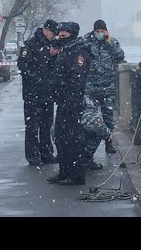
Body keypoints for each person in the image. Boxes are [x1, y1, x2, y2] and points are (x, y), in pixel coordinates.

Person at [47, 22, 94, 185]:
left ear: (71, 35)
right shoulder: (66, 50)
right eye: (59, 34)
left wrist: (69, 99)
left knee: (71, 139)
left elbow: (77, 79)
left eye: (63, 35)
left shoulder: (78, 52)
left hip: (71, 102)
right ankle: (64, 171)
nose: (60, 37)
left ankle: (76, 175)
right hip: (63, 100)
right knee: (61, 138)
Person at [17, 19, 59, 166]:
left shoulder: (52, 45)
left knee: (46, 125)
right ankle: (33, 155)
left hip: (47, 93)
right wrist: (40, 80)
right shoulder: (31, 45)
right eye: (53, 33)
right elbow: (23, 67)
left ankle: (46, 153)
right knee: (32, 126)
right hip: (33, 93)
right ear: (46, 30)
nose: (54, 36)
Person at [83, 19, 124, 154]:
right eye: (97, 31)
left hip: (108, 85)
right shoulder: (86, 41)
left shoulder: (112, 42)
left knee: (108, 116)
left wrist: (109, 43)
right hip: (90, 86)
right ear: (93, 31)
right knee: (90, 117)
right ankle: (88, 149)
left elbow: (119, 56)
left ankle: (109, 142)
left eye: (102, 31)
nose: (100, 34)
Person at [80, 90, 115, 170]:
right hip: (73, 139)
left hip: (63, 138)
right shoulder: (89, 105)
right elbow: (97, 125)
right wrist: (109, 135)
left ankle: (75, 157)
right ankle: (85, 158)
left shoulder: (82, 99)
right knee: (97, 133)